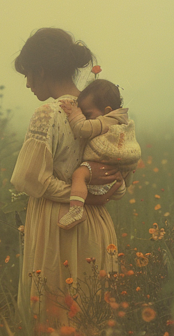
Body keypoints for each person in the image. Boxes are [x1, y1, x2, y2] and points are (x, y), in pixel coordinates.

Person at [10, 28, 129, 327]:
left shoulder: (48, 113)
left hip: (57, 225)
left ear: (41, 70)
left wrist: (78, 194)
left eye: (27, 74)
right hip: (98, 226)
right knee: (92, 322)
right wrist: (98, 193)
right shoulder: (104, 113)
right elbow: (120, 177)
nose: (26, 84)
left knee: (53, 325)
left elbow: (30, 179)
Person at [57, 79, 141, 229]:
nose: (86, 118)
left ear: (107, 111)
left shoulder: (109, 120)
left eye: (88, 114)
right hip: (114, 177)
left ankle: (76, 210)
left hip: (100, 164)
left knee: (79, 175)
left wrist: (75, 114)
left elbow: (83, 129)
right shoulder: (122, 120)